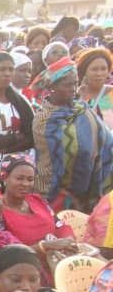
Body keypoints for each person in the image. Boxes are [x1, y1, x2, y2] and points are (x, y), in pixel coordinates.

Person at [31, 57, 113, 211]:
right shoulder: (45, 119)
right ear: (53, 87)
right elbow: (49, 162)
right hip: (58, 192)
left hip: (94, 183)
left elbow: (105, 135)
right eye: (68, 85)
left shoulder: (85, 106)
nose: (74, 89)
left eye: (75, 83)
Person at [78, 47, 113, 128]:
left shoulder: (110, 92)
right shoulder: (77, 95)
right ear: (84, 71)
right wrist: (80, 98)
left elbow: (109, 124)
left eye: (103, 69)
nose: (99, 73)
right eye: (94, 69)